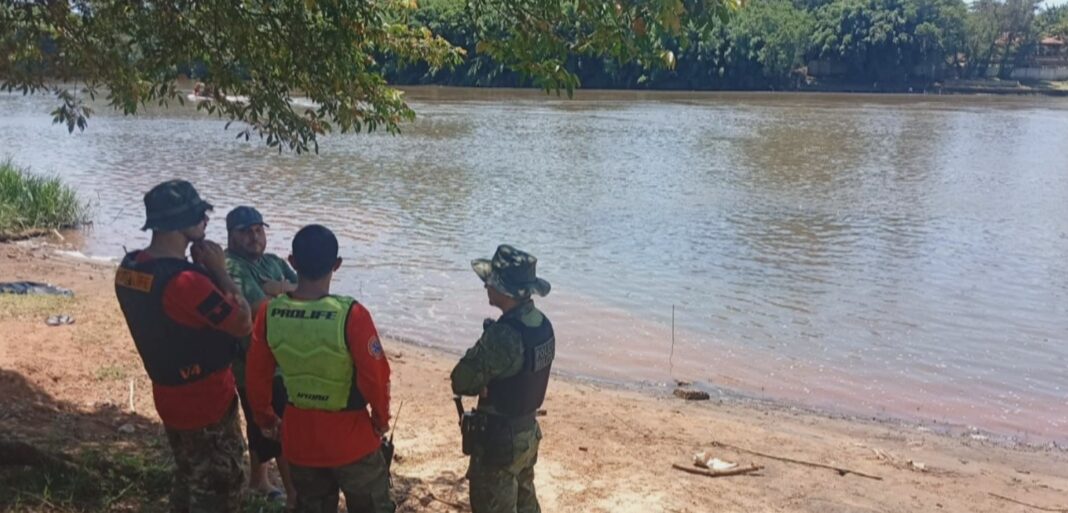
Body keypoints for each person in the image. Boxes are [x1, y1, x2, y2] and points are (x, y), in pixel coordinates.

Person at [114, 179, 252, 513]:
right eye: (200, 216)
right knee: (221, 485)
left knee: (189, 473)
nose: (206, 221)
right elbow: (243, 321)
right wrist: (219, 271)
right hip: (206, 402)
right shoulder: (187, 282)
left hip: (168, 393)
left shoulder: (130, 269)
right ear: (183, 223)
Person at [246, 224, 395, 513]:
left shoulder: (269, 312)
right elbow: (376, 377)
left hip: (301, 439)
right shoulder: (351, 314)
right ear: (337, 265)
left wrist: (267, 420)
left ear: (292, 262)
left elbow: (256, 375)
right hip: (353, 440)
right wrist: (380, 419)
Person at [450, 245, 555, 513]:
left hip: (499, 442)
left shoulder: (504, 335)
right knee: (526, 503)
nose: (486, 286)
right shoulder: (541, 323)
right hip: (526, 434)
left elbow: (461, 380)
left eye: (490, 281)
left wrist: (485, 382)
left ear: (504, 290)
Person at [224, 206, 297, 508]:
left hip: (283, 355)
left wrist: (277, 288)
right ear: (231, 235)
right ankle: (295, 495)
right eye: (246, 231)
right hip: (252, 359)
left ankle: (259, 481)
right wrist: (288, 293)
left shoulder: (274, 261)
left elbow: (313, 291)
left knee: (262, 421)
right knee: (277, 423)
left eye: (258, 230)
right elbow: (259, 309)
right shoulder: (231, 266)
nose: (255, 237)